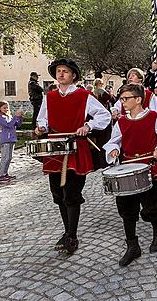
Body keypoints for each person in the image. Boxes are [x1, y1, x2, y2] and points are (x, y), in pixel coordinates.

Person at [35, 58, 111, 256]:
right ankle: (68, 231)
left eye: (65, 71)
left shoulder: (83, 96)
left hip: (76, 148)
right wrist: (41, 126)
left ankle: (72, 235)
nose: (61, 74)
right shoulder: (49, 97)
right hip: (55, 149)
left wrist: (88, 126)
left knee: (72, 193)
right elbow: (42, 117)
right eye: (59, 71)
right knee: (58, 194)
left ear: (73, 75)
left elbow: (104, 116)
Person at [104, 83, 157, 267]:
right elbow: (113, 141)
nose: (122, 102)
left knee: (150, 209)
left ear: (138, 99)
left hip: (149, 169)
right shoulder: (121, 121)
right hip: (127, 168)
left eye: (126, 99)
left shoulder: (154, 118)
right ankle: (132, 246)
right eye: (121, 99)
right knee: (127, 211)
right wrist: (114, 149)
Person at [0, 102, 24, 183]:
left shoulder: (9, 116)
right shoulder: (0, 117)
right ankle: (0, 175)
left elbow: (17, 124)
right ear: (0, 108)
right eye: (4, 108)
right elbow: (8, 125)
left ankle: (5, 173)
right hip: (5, 140)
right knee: (5, 157)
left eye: (7, 107)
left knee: (9, 157)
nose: (6, 109)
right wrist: (15, 116)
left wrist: (20, 117)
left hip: (12, 139)